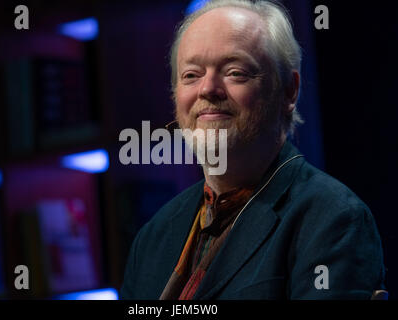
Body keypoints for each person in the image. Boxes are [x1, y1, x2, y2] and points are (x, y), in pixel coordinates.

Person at [120, 0, 386, 299]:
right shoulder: (153, 236)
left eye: (235, 72)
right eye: (191, 75)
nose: (208, 89)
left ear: (289, 90)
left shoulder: (332, 219)